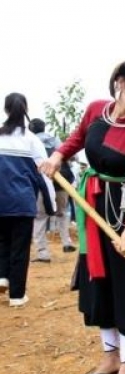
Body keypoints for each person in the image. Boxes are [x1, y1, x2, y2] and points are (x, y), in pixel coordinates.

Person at [39, 59, 125, 374]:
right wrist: (57, 155)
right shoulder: (97, 110)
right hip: (93, 209)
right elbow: (77, 139)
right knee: (101, 285)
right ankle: (109, 358)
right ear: (121, 83)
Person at [0, 93, 53, 308]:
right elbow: (45, 174)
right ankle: (17, 295)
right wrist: (51, 205)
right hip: (22, 202)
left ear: (5, 110)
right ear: (26, 109)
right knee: (20, 248)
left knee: (2, 241)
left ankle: (2, 277)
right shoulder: (32, 140)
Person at [29, 118, 76, 262]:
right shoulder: (55, 140)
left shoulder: (31, 141)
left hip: (43, 184)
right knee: (62, 213)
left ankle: (43, 253)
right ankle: (67, 243)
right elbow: (70, 157)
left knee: (40, 217)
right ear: (44, 128)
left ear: (31, 128)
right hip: (62, 182)